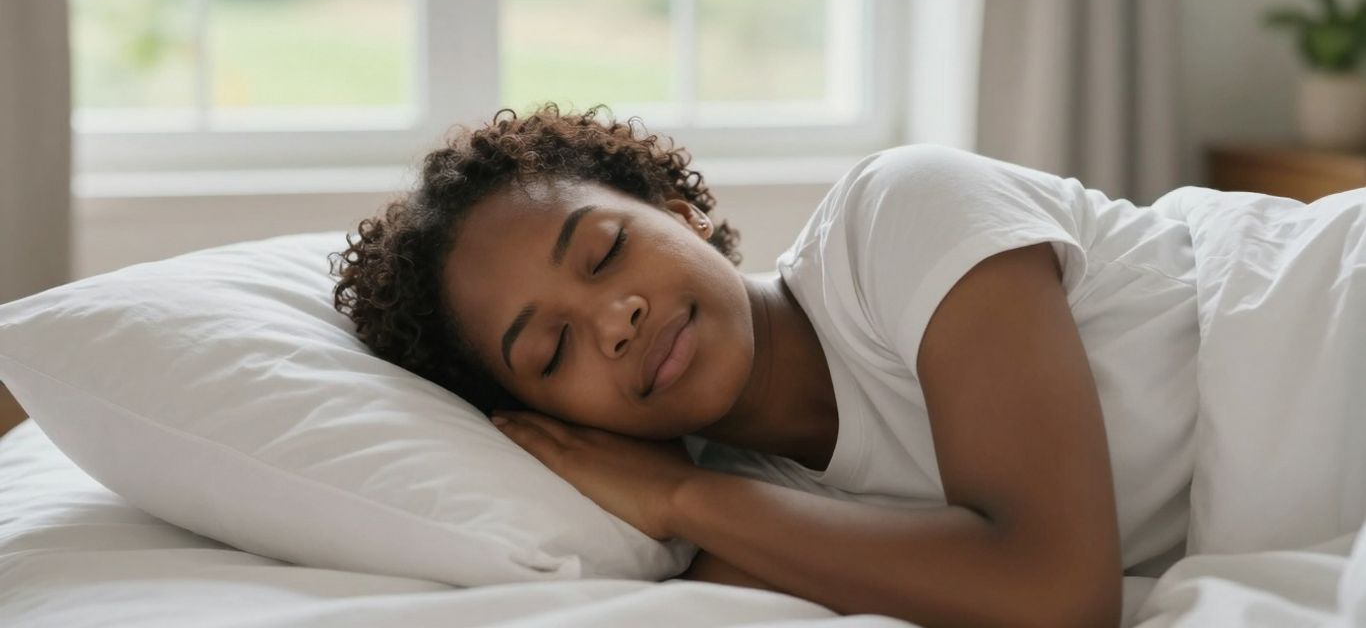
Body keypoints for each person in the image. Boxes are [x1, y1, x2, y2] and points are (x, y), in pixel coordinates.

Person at [331, 102, 1207, 628]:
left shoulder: (899, 215)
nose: (614, 320)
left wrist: (684, 495)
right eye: (551, 350)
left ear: (682, 215)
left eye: (605, 252)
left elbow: (1056, 598)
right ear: (550, 418)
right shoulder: (750, 525)